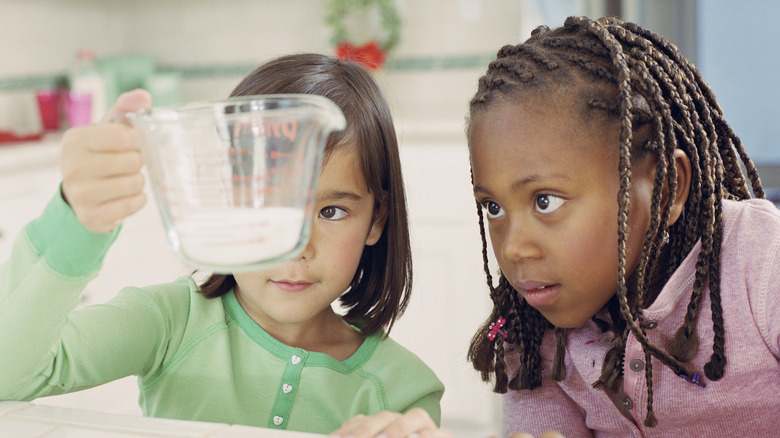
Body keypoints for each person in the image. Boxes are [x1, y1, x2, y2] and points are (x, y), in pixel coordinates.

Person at [330, 15, 780, 438]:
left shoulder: (761, 262)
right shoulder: (536, 332)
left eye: (545, 201)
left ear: (665, 189)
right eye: (492, 208)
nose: (513, 249)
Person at [0, 53, 444, 435]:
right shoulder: (169, 323)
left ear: (375, 220)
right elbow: (11, 377)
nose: (296, 246)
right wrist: (77, 225)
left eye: (332, 212)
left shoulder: (405, 393)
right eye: (268, 202)